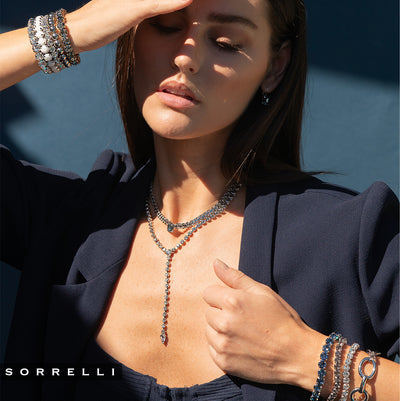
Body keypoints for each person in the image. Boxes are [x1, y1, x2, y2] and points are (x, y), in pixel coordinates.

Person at [0, 0, 398, 400]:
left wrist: (306, 357)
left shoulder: (351, 235)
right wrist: (72, 29)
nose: (186, 58)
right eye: (165, 26)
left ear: (275, 67)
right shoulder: (65, 220)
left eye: (225, 42)